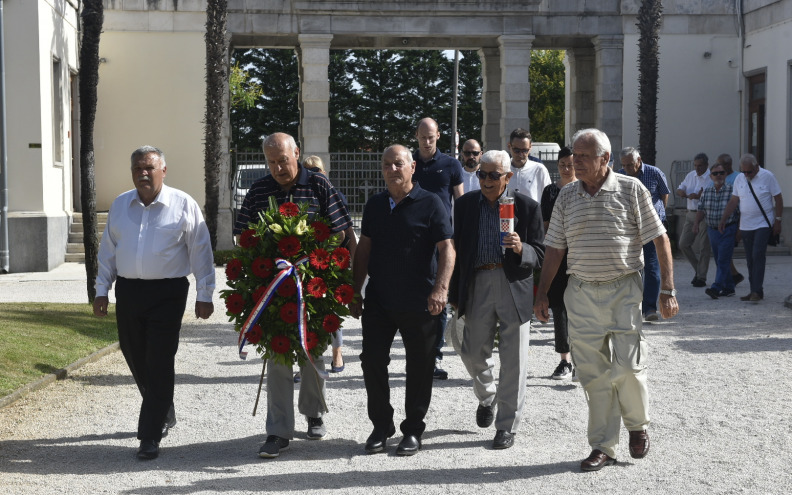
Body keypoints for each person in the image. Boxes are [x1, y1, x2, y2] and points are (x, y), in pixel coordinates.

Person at [533, 128, 679, 472]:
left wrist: (668, 290)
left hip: (623, 288)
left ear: (605, 160)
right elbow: (555, 248)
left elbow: (660, 240)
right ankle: (603, 446)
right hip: (580, 291)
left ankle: (637, 425)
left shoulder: (631, 189)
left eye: (584, 157)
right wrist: (541, 293)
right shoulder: (566, 196)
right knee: (592, 374)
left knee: (628, 365)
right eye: (574, 157)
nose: (575, 162)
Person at [234, 133, 353, 458]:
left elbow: (344, 230)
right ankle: (278, 431)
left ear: (296, 154)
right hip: (273, 288)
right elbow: (242, 235)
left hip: (314, 286)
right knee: (278, 358)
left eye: (282, 161)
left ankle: (314, 412)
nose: (277, 168)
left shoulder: (318, 186)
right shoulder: (259, 190)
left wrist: (348, 280)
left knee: (312, 353)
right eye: (271, 162)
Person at [93, 146, 216, 460]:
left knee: (159, 360)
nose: (142, 173)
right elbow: (108, 250)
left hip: (169, 292)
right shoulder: (121, 205)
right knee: (134, 352)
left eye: (149, 167)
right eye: (137, 168)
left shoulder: (183, 204)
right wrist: (101, 289)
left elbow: (201, 251)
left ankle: (149, 435)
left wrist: (205, 294)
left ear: (163, 170)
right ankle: (164, 407)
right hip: (130, 292)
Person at [350, 145, 455, 456]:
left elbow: (447, 249)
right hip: (380, 300)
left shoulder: (432, 203)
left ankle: (413, 430)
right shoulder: (375, 205)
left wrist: (441, 289)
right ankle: (381, 426)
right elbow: (364, 251)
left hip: (420, 302)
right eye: (387, 164)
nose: (392, 169)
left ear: (412, 168)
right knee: (371, 362)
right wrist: (355, 290)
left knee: (420, 367)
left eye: (398, 164)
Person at [449, 150, 544, 450]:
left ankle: (506, 426)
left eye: (494, 175)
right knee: (471, 350)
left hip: (513, 283)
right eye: (482, 174)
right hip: (477, 282)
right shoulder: (464, 205)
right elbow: (457, 250)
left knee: (514, 359)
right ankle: (488, 395)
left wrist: (521, 249)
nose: (487, 180)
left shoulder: (527, 207)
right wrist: (454, 292)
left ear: (508, 176)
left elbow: (541, 253)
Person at [413, 117, 464, 381]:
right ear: (417, 136)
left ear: (438, 135)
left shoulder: (451, 165)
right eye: (423, 136)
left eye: (431, 136)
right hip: (413, 240)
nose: (427, 141)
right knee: (414, 297)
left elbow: (461, 201)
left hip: (442, 241)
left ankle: (435, 356)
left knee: (440, 297)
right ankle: (418, 353)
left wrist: (460, 237)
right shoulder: (409, 163)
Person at [301, 155, 354, 374]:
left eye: (316, 170)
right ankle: (308, 358)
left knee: (332, 309)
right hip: (308, 259)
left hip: (332, 258)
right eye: (308, 171)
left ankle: (337, 353)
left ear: (324, 172)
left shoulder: (336, 196)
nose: (313, 174)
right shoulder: (301, 197)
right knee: (307, 311)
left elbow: (345, 231)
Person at [719, 154, 784, 302]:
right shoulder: (740, 179)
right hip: (746, 225)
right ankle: (755, 290)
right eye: (744, 172)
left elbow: (778, 198)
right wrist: (724, 219)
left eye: (749, 172)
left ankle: (756, 291)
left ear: (756, 167)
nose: (747, 175)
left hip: (763, 223)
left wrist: (778, 220)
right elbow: (734, 201)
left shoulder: (768, 176)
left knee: (757, 255)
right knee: (749, 259)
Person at [617, 147, 670, 321]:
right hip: (629, 227)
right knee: (630, 267)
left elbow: (664, 195)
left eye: (630, 165)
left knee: (652, 266)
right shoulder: (620, 175)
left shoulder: (655, 173)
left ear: (639, 160)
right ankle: (632, 306)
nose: (627, 169)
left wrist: (657, 215)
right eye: (624, 165)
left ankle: (649, 308)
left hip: (651, 226)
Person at [540, 146, 576, 379]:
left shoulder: (582, 189)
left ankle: (583, 359)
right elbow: (544, 224)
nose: (565, 168)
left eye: (570, 164)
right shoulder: (550, 191)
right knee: (559, 307)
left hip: (580, 255)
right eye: (562, 164)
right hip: (556, 255)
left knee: (581, 308)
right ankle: (565, 360)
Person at [694, 162, 739, 298]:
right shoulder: (706, 191)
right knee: (719, 258)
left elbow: (740, 211)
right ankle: (729, 287)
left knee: (723, 259)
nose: (718, 176)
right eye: (715, 173)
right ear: (711, 176)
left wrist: (740, 231)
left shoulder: (733, 190)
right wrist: (696, 223)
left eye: (721, 173)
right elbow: (701, 209)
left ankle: (716, 287)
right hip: (712, 230)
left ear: (725, 175)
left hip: (728, 229)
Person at [676, 153, 712, 287]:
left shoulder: (711, 177)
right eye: (695, 165)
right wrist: (685, 194)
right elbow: (680, 189)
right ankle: (699, 270)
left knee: (704, 246)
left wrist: (698, 196)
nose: (697, 168)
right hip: (690, 213)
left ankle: (701, 277)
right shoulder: (691, 175)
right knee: (683, 244)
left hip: (704, 215)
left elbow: (708, 195)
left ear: (706, 165)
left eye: (700, 165)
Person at [715, 153, 745, 285]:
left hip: (733, 219)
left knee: (724, 253)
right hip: (720, 220)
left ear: (729, 164)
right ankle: (733, 275)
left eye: (723, 164)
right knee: (723, 253)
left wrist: (739, 227)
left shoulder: (738, 177)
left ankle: (722, 283)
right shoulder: (719, 176)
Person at [506, 128, 551, 202]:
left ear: (530, 148)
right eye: (516, 150)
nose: (520, 154)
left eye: (524, 150)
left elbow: (548, 199)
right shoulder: (503, 169)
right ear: (509, 146)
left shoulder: (539, 170)